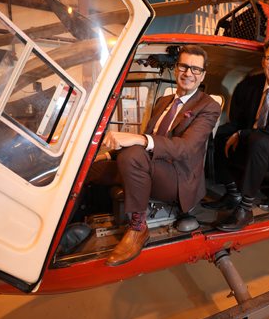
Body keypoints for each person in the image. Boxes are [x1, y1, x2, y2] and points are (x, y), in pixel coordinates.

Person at [90, 45, 221, 266]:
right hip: (151, 166)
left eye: (196, 69)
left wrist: (139, 139)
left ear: (202, 75)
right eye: (184, 66)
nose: (188, 73)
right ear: (176, 67)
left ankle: (138, 227)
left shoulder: (208, 106)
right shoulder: (164, 101)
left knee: (132, 155)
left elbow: (185, 148)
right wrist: (107, 156)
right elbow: (149, 138)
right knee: (89, 169)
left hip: (178, 178)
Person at [203, 34, 269, 232]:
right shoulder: (250, 84)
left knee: (258, 141)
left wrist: (243, 135)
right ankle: (232, 193)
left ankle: (245, 210)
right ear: (263, 61)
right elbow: (238, 120)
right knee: (220, 133)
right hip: (252, 136)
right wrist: (235, 132)